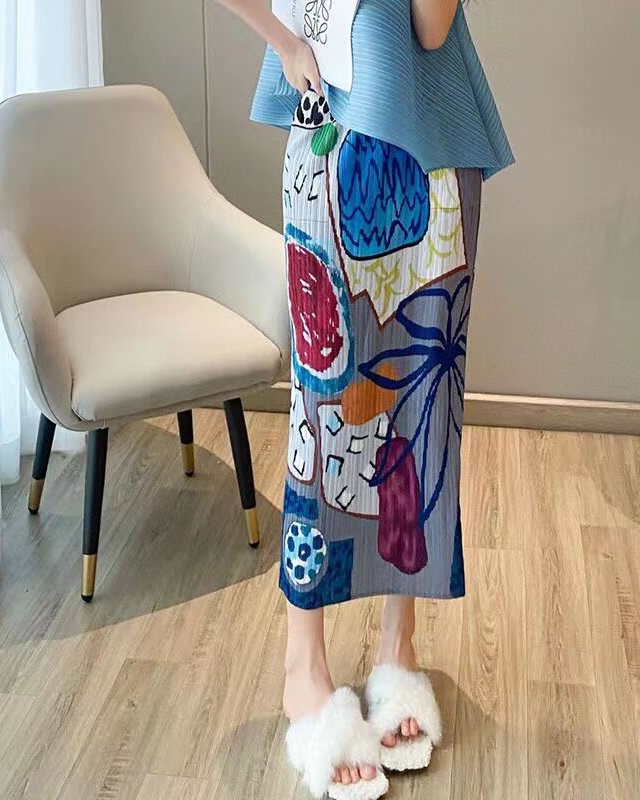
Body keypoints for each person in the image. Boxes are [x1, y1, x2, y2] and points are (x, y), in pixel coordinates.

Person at [217, 0, 513, 796]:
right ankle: (303, 663)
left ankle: (397, 646)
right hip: (332, 137)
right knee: (323, 406)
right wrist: (283, 44)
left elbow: (431, 30)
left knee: (423, 406)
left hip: (436, 148)